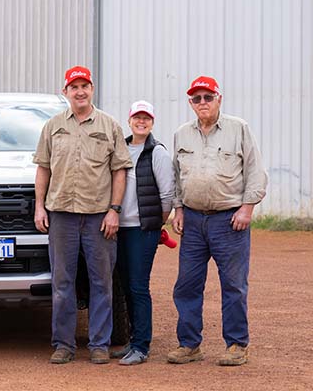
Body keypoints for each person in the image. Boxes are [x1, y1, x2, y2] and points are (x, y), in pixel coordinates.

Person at [33, 66, 133, 364]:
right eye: (73, 86)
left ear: (92, 90)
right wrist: (40, 206)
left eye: (84, 86)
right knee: (62, 283)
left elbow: (119, 171)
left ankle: (99, 344)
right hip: (61, 215)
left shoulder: (109, 126)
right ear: (65, 92)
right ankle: (63, 344)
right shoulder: (52, 126)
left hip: (97, 216)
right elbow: (43, 168)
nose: (79, 91)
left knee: (101, 282)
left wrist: (114, 210)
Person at [167, 76, 268, 366]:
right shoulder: (181, 134)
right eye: (196, 98)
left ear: (218, 99)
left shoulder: (239, 129)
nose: (202, 103)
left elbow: (255, 171)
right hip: (194, 221)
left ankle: (237, 344)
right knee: (186, 285)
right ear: (190, 103)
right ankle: (189, 344)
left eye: (207, 97)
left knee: (233, 285)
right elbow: (176, 176)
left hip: (229, 220)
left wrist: (247, 208)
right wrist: (179, 209)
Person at [111, 100, 174, 365]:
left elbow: (168, 194)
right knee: (125, 286)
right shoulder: (121, 148)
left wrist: (154, 223)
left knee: (138, 286)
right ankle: (131, 341)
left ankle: (141, 346)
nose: (141, 122)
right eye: (137, 117)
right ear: (129, 120)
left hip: (142, 229)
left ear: (152, 122)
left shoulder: (156, 152)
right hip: (119, 229)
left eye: (146, 118)